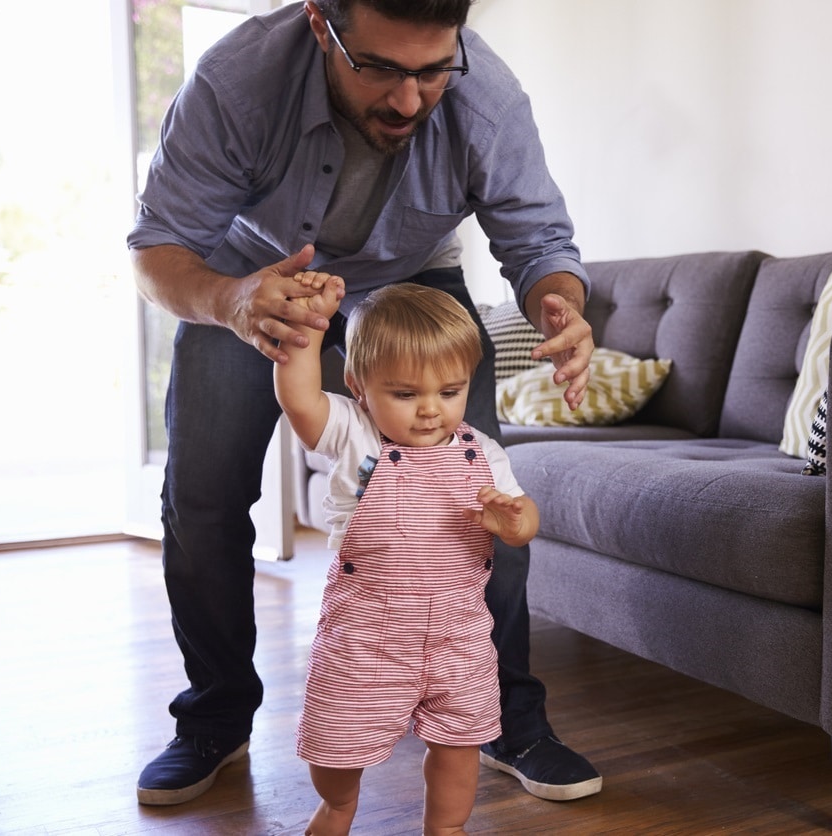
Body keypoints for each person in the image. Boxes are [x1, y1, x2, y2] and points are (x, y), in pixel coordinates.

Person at [128, 0, 600, 807]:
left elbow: (541, 242)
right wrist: (234, 300)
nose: (411, 99)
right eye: (381, 68)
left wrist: (559, 302)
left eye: (432, 71)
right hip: (247, 274)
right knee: (200, 497)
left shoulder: (486, 95)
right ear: (322, 25)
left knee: (480, 495)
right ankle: (214, 718)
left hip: (415, 276)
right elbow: (158, 249)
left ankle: (507, 719)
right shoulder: (238, 82)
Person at [276, 276, 537, 835]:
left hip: (458, 634)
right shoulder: (352, 432)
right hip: (367, 633)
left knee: (459, 742)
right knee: (335, 748)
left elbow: (523, 518)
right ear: (358, 384)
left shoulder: (482, 452)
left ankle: (446, 827)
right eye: (405, 393)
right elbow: (298, 397)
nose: (429, 411)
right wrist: (305, 328)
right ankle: (338, 805)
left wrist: (515, 521)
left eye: (450, 391)